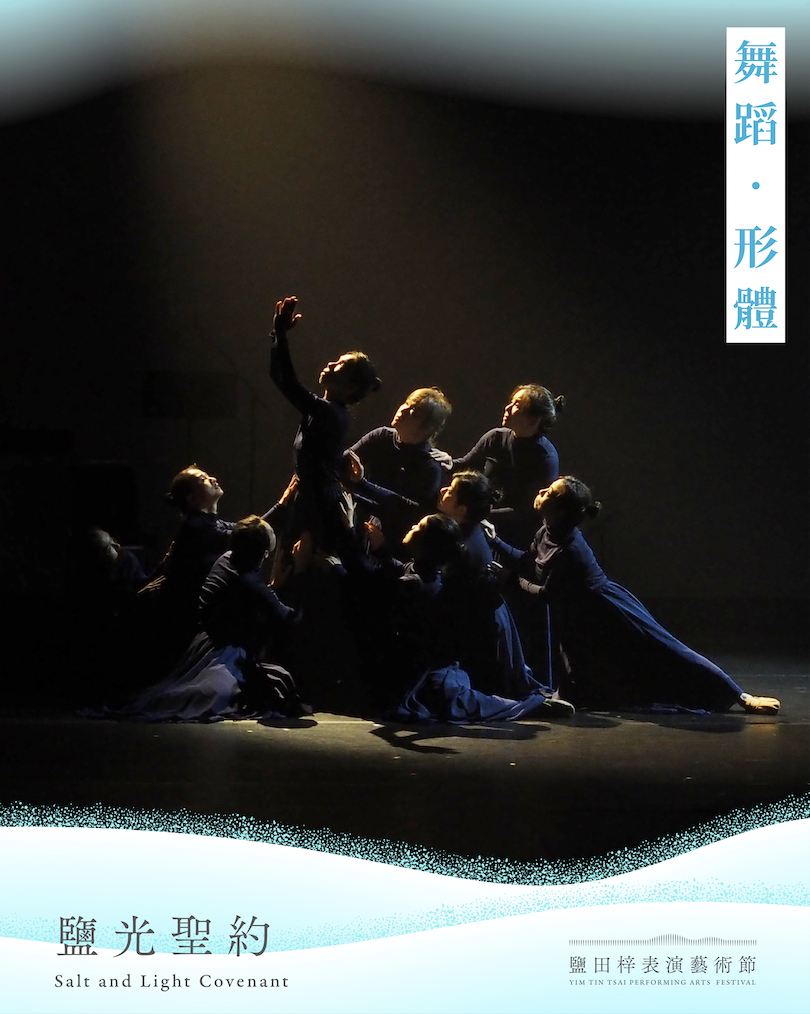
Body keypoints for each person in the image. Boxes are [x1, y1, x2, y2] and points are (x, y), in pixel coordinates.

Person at [489, 476, 781, 714]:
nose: (542, 491)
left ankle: (740, 696)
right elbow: (528, 561)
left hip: (606, 609)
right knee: (584, 672)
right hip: (579, 617)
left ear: (561, 510)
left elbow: (546, 595)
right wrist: (495, 541)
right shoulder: (546, 531)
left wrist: (511, 580)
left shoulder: (569, 550)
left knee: (663, 648)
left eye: (551, 492)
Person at [114, 516, 310, 721]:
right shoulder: (248, 580)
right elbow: (289, 619)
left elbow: (241, 598)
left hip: (203, 644)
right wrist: (300, 570)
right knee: (269, 686)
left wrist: (272, 589)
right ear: (263, 554)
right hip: (224, 654)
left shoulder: (226, 558)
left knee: (277, 679)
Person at [436, 470, 570, 710]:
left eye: (451, 492)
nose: (443, 490)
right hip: (486, 619)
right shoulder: (467, 531)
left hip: (481, 628)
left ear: (462, 509)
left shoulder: (462, 545)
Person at [269, 294, 381, 556]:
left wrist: (281, 334)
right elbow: (278, 377)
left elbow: (288, 383)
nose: (330, 364)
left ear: (350, 387)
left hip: (318, 509)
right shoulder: (323, 409)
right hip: (308, 502)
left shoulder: (330, 414)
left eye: (340, 366)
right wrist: (277, 335)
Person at [453, 385, 564, 548]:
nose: (508, 407)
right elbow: (465, 465)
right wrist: (443, 460)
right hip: (480, 523)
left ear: (534, 420)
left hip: (512, 540)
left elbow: (528, 512)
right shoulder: (496, 438)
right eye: (511, 402)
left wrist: (479, 516)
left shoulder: (545, 458)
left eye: (517, 404)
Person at [350, 388, 452, 544]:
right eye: (407, 403)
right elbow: (345, 460)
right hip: (357, 513)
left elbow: (407, 512)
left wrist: (361, 484)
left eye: (414, 412)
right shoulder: (382, 436)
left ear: (427, 428)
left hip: (385, 538)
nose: (403, 410)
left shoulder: (429, 468)